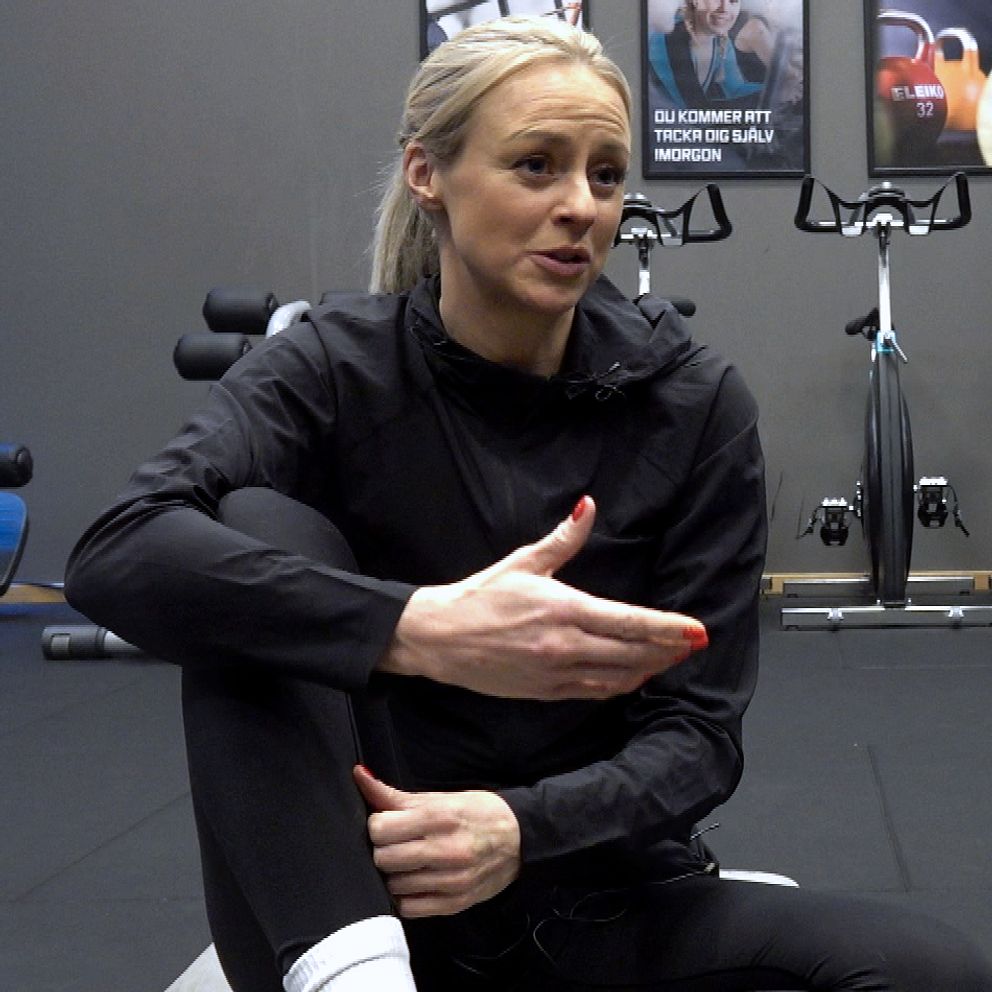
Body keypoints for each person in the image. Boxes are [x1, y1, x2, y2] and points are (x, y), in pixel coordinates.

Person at [65, 15, 992, 992]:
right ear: (427, 173)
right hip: (363, 894)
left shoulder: (692, 404)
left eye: (605, 174)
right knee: (254, 531)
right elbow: (117, 549)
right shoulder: (330, 369)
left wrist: (517, 827)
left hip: (596, 899)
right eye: (535, 165)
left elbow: (698, 740)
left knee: (933, 973)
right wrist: (415, 628)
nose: (580, 206)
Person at [648, 0, 772, 111]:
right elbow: (693, 111)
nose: (724, 8)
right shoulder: (670, 38)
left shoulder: (720, 40)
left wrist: (775, 91)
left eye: (733, 1)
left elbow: (735, 89)